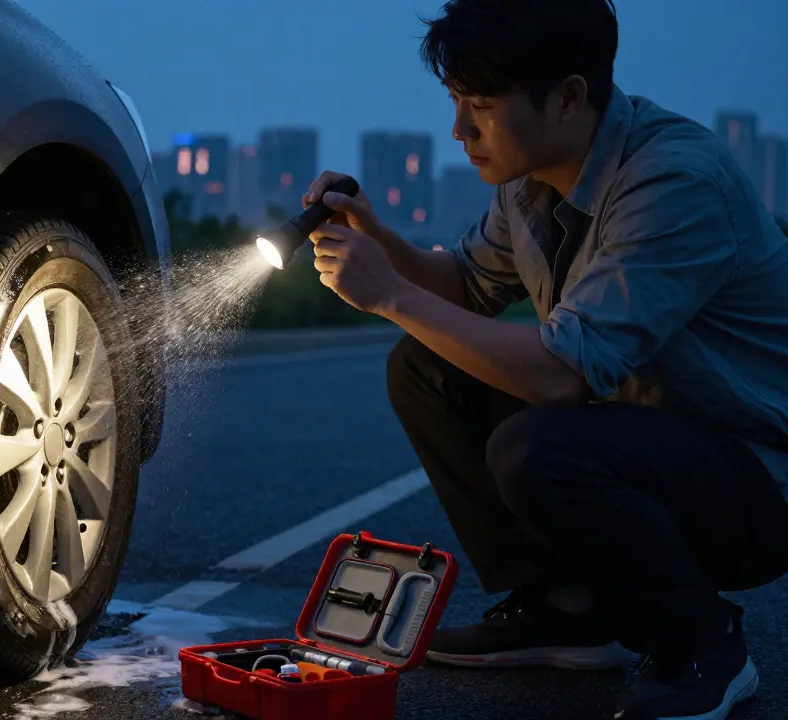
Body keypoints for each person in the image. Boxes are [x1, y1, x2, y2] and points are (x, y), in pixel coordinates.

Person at [301, 1, 788, 718]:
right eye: (455, 103)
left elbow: (560, 375)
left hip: (755, 477)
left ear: (568, 97)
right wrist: (374, 235)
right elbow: (466, 287)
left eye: (481, 107)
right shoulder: (533, 180)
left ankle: (704, 646)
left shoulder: (674, 181)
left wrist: (390, 296)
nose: (460, 130)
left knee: (541, 448)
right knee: (426, 368)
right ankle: (568, 609)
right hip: (645, 438)